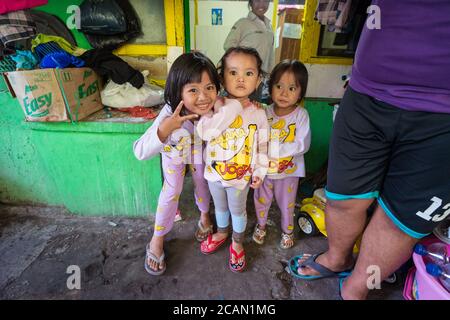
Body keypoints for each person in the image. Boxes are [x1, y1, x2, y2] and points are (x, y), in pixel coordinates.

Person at [289, 0, 450, 300]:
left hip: (445, 117)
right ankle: (338, 258)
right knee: (342, 198)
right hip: (368, 94)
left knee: (403, 219)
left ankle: (357, 288)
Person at [133, 52, 222, 275]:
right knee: (173, 190)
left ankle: (204, 216)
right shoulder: (168, 114)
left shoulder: (216, 108)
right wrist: (165, 129)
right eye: (193, 90)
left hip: (199, 153)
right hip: (174, 154)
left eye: (209, 87)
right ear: (177, 90)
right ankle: (157, 240)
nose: (203, 97)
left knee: (202, 180)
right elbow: (140, 151)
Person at [196, 47, 269, 272]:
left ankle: (237, 242)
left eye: (248, 73)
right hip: (214, 174)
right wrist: (219, 107)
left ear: (258, 80)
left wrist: (259, 171)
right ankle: (221, 232)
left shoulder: (259, 113)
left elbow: (263, 145)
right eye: (233, 72)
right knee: (220, 208)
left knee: (238, 210)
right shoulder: (214, 106)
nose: (240, 78)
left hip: (240, 178)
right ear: (222, 77)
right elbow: (204, 133)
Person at [253, 59, 311, 249]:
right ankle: (261, 226)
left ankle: (288, 231)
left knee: (287, 204)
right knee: (261, 201)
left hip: (289, 172)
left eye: (292, 88)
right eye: (279, 86)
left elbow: (302, 144)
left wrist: (273, 149)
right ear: (270, 87)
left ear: (301, 92)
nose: (284, 93)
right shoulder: (264, 112)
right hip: (265, 171)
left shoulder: (301, 115)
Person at [224, 0, 274, 102]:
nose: (261, 4)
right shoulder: (243, 23)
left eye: (265, 1)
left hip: (259, 78)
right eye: (257, 1)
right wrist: (243, 63)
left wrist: (269, 74)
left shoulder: (269, 26)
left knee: (253, 108)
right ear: (250, 3)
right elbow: (228, 45)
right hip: (242, 76)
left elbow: (270, 52)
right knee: (236, 107)